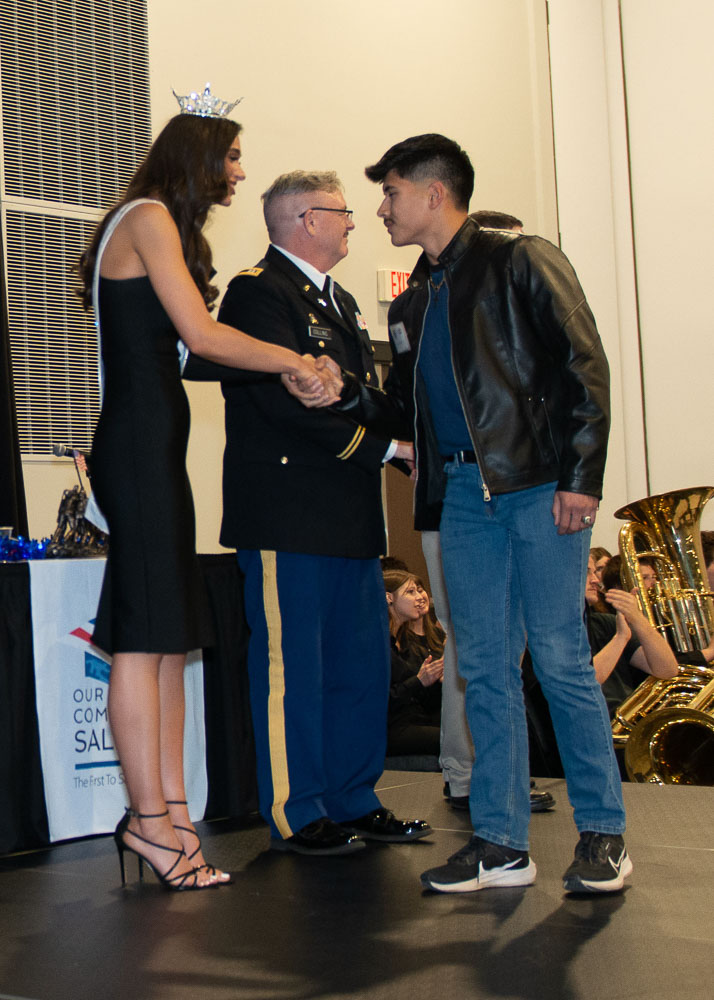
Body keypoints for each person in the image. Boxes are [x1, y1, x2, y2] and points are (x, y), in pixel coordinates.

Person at [324, 133, 630, 893]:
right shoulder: (411, 301)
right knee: (483, 668)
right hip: (461, 496)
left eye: (391, 192)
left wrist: (581, 478)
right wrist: (344, 390)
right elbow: (406, 409)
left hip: (538, 484)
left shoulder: (520, 260)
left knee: (558, 655)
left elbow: (586, 365)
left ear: (434, 193)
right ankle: (501, 843)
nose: (381, 208)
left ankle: (604, 834)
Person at [77, 90, 336, 892]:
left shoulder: (157, 223)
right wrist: (294, 361)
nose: (239, 172)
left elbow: (192, 354)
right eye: (231, 157)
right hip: (136, 445)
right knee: (141, 637)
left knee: (167, 637)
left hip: (154, 445)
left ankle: (174, 818)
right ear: (197, 157)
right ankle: (149, 822)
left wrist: (294, 367)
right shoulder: (148, 217)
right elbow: (201, 335)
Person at [185, 170, 430, 855]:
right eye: (342, 211)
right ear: (306, 219)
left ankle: (354, 797)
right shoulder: (258, 292)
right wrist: (387, 449)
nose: (355, 221)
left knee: (359, 667)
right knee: (293, 671)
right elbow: (280, 403)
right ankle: (298, 809)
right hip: (287, 517)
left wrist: (407, 434)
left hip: (350, 515)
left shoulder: (341, 299)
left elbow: (354, 394)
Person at [584, 555, 679, 716]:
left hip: (628, 719)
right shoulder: (550, 633)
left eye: (594, 572)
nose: (595, 580)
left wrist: (636, 617)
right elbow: (584, 681)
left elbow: (667, 669)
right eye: (586, 572)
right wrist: (620, 638)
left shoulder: (606, 622)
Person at [384, 569, 444, 756]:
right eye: (410, 592)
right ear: (389, 598)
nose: (420, 597)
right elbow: (381, 699)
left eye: (419, 590)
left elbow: (419, 695)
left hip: (415, 719)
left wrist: (437, 678)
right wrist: (419, 680)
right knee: (456, 740)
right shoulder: (378, 642)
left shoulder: (401, 640)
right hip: (393, 727)